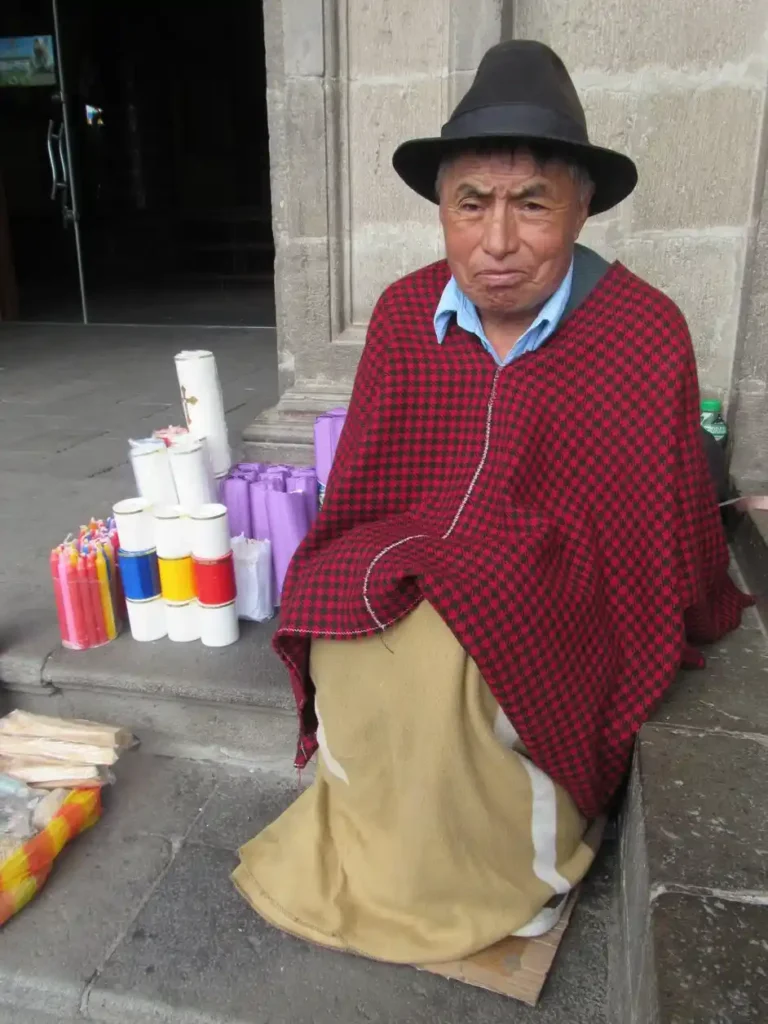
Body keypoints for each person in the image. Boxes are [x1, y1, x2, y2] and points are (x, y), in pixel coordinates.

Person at [233, 40, 751, 964]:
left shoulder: (642, 329)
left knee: (462, 672)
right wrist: (397, 559)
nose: (498, 242)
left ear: (583, 206)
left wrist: (705, 603)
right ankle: (382, 848)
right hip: (408, 543)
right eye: (471, 205)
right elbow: (363, 488)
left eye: (532, 205)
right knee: (340, 619)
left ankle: (497, 875)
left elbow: (658, 515)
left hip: (566, 573)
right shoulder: (402, 313)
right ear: (443, 210)